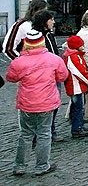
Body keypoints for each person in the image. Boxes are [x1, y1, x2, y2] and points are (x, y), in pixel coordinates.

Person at [6, 30, 68, 176]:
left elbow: (11, 77)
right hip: (47, 102)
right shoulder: (54, 59)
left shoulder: (19, 62)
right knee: (44, 134)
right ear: (42, 42)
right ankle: (42, 166)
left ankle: (19, 166)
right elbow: (62, 76)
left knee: (26, 134)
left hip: (27, 103)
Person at [31, 10, 64, 143]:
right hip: (44, 76)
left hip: (54, 74)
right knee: (44, 106)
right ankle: (40, 134)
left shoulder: (49, 35)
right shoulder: (36, 37)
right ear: (45, 22)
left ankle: (50, 130)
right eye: (51, 19)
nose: (54, 22)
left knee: (54, 105)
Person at [61, 35, 88, 138]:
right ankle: (77, 128)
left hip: (76, 86)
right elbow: (79, 72)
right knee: (77, 108)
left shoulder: (73, 55)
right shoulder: (73, 57)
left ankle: (79, 126)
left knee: (78, 107)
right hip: (75, 86)